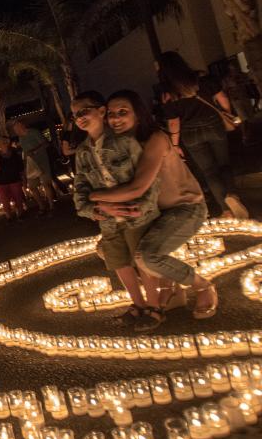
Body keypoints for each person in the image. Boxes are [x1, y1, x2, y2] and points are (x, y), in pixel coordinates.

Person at [90, 90, 218, 331]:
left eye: (122, 112)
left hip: (184, 208)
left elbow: (137, 187)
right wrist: (103, 206)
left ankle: (202, 286)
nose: (115, 119)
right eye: (110, 114)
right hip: (152, 214)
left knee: (146, 256)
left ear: (138, 114)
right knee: (106, 250)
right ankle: (172, 290)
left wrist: (92, 198)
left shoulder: (155, 139)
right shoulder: (118, 147)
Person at [71, 91, 160, 326]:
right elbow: (80, 187)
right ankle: (137, 305)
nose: (79, 118)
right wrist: (92, 210)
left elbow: (148, 177)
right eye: (75, 115)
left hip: (134, 214)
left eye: (84, 111)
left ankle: (154, 306)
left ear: (101, 111)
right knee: (118, 261)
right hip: (107, 219)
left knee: (141, 259)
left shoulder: (124, 141)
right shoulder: (82, 152)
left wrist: (142, 207)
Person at [157, 51, 248, 219]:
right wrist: (227, 113)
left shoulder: (167, 93)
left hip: (190, 133)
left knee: (209, 171)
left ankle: (226, 210)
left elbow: (174, 122)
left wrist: (175, 145)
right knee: (224, 164)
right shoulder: (202, 79)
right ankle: (232, 195)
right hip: (213, 125)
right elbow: (223, 98)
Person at [13, 120, 56, 215]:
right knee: (32, 187)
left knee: (46, 184)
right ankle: (41, 206)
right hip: (30, 164)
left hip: (42, 162)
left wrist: (34, 151)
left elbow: (45, 144)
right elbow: (25, 151)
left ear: (22, 126)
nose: (16, 131)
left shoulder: (33, 132)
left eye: (16, 129)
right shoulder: (21, 138)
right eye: (15, 130)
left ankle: (51, 205)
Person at [0, 137, 25, 222]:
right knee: (5, 200)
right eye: (0, 144)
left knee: (18, 197)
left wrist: (23, 178)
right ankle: (8, 216)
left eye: (4, 143)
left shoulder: (14, 153)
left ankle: (20, 213)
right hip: (1, 181)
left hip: (14, 179)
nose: (2, 145)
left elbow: (20, 166)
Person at [222, 60, 257, 145]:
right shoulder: (227, 78)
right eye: (232, 66)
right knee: (243, 118)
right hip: (236, 100)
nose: (234, 68)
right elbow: (225, 90)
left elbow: (249, 84)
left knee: (249, 118)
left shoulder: (242, 75)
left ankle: (249, 135)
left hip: (244, 97)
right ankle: (245, 137)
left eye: (234, 66)